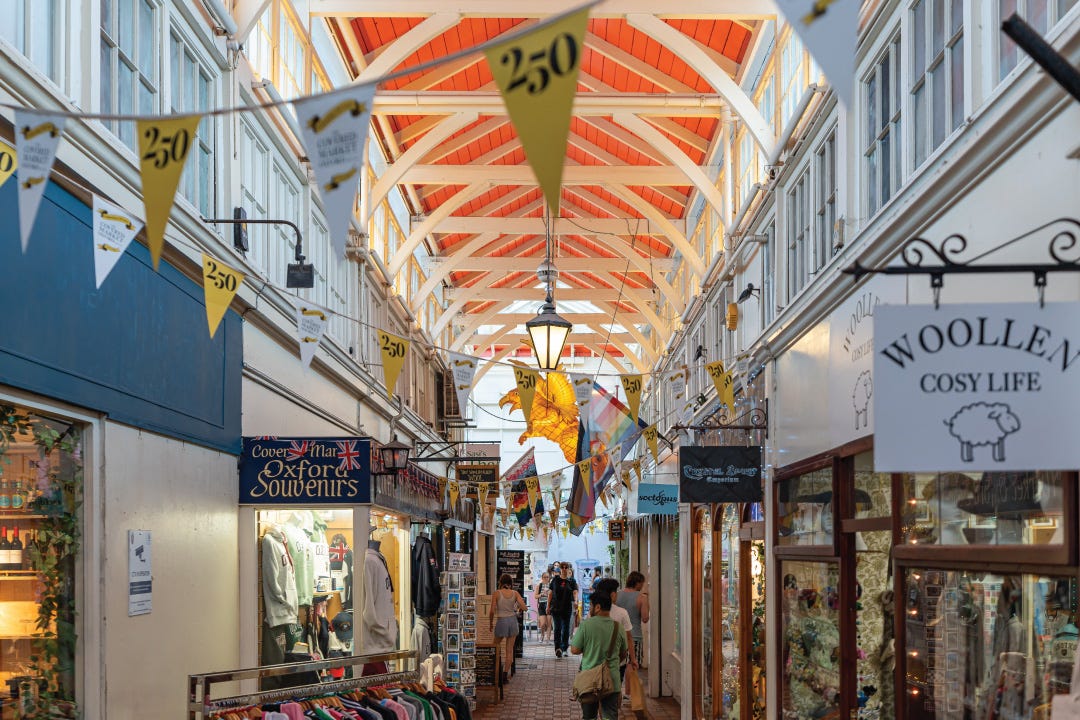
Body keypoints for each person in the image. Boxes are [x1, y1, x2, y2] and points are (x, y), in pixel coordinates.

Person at [571, 590, 628, 720]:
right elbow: (623, 654)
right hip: (612, 680)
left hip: (589, 680)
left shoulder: (586, 625)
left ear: (597, 607)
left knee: (589, 717)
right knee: (610, 716)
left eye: (591, 605)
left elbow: (574, 650)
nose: (589, 608)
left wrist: (589, 649)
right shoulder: (618, 627)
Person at [594, 577, 636, 702]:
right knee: (614, 692)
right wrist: (633, 659)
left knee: (598, 692)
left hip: (596, 660)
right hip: (617, 660)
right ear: (612, 595)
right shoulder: (622, 613)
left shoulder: (594, 611)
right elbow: (629, 638)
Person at [488, 572, 526, 684]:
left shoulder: (497, 593)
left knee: (495, 647)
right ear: (510, 583)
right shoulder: (515, 593)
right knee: (509, 650)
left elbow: (491, 611)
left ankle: (495, 673)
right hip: (513, 621)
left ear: (500, 582)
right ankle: (504, 675)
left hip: (501, 621)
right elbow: (524, 607)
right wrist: (517, 610)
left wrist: (490, 623)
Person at [616, 570, 650, 668]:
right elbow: (645, 618)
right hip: (634, 636)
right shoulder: (642, 597)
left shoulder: (617, 595)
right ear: (638, 583)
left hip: (617, 636)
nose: (642, 586)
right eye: (642, 583)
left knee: (617, 667)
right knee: (632, 668)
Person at [548, 561, 579, 657]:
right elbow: (550, 593)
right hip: (556, 607)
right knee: (557, 628)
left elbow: (575, 592)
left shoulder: (572, 581)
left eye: (566, 567)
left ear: (569, 569)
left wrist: (576, 601)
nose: (564, 569)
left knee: (566, 628)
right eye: (563, 567)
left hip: (567, 607)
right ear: (560, 569)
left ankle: (564, 648)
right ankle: (558, 648)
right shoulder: (555, 580)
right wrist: (548, 606)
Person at [535, 571, 552, 643]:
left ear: (549, 578)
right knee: (542, 624)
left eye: (547, 577)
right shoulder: (539, 585)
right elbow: (535, 596)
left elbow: (554, 595)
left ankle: (548, 639)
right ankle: (542, 635)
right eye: (544, 577)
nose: (546, 578)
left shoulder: (551, 586)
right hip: (542, 605)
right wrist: (541, 594)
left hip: (549, 604)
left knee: (549, 623)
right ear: (542, 578)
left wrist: (549, 594)